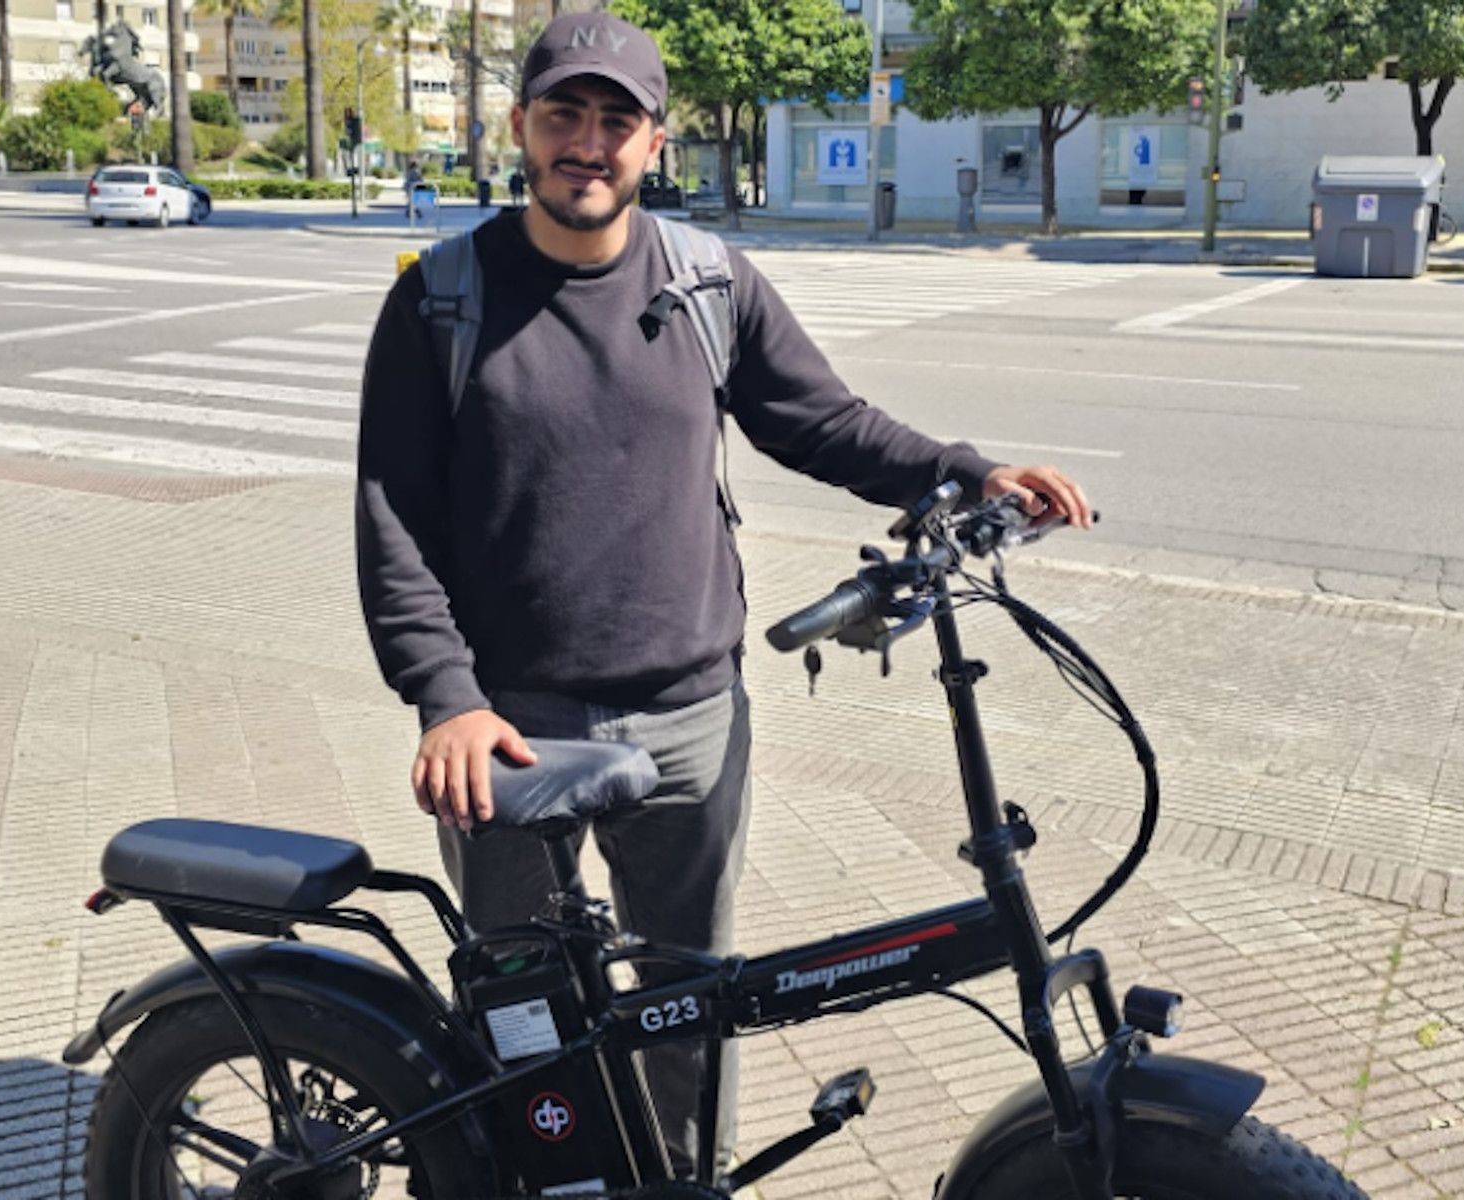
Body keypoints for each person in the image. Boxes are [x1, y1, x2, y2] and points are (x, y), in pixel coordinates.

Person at [355, 10, 1090, 1178]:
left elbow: (824, 422)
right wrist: (444, 698)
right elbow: (391, 519)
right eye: (565, 115)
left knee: (691, 997)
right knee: (524, 1007)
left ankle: (685, 1179)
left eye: (617, 121)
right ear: (521, 127)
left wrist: (965, 471)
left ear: (655, 143)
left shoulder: (707, 284)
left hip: (694, 714)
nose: (587, 144)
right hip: (507, 729)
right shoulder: (440, 301)